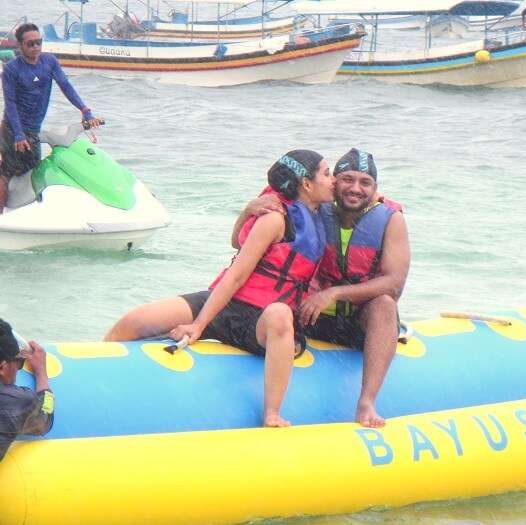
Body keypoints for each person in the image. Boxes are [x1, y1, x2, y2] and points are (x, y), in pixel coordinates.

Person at [104, 150, 335, 427]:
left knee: (280, 314)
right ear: (306, 185)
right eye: (327, 173)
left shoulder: (322, 214)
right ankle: (95, 377)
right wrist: (199, 325)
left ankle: (271, 413)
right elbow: (237, 260)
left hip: (262, 323)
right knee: (136, 320)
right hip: (227, 304)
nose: (332, 180)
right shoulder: (274, 216)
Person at [233, 149, 410, 428]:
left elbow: (394, 283)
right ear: (334, 181)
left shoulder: (390, 220)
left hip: (356, 322)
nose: (355, 188)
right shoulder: (314, 208)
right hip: (308, 317)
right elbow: (280, 195)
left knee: (385, 303)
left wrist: (334, 293)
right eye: (347, 179)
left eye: (365, 183)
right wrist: (248, 209)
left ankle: (366, 403)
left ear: (375, 188)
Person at [0, 23, 102, 213]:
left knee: (33, 173)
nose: (36, 47)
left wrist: (85, 110)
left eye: (38, 42)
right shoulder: (12, 70)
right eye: (30, 44)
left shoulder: (49, 62)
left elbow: (66, 86)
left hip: (34, 130)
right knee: (6, 174)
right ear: (20, 46)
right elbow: (10, 103)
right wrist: (19, 135)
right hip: (13, 130)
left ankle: (27, 215)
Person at [0, 318, 54, 461]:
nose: (19, 368)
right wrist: (41, 373)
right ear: (2, 367)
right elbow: (45, 419)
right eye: (19, 362)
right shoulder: (17, 401)